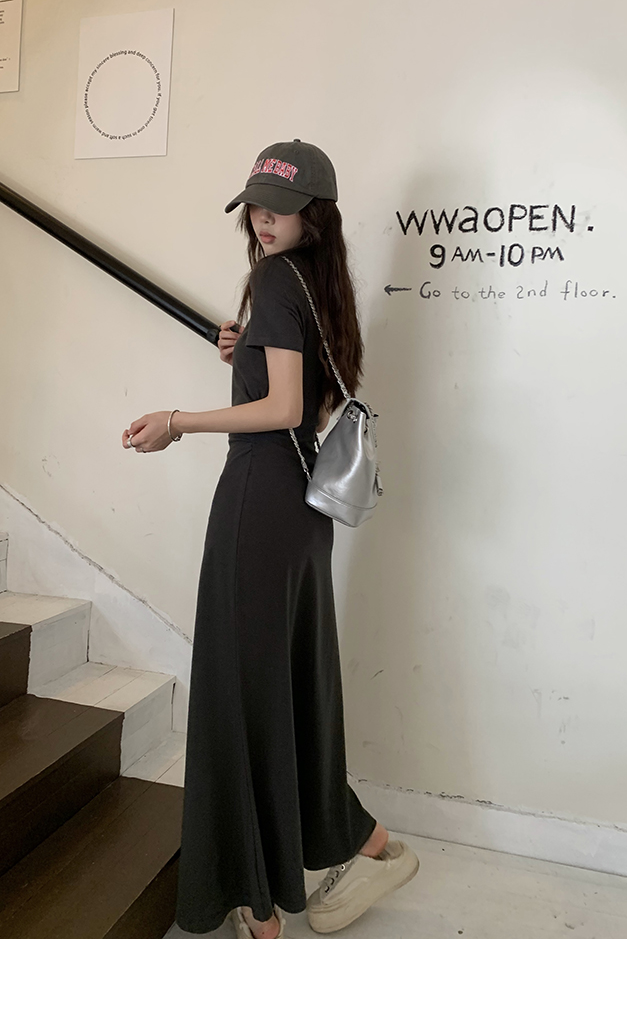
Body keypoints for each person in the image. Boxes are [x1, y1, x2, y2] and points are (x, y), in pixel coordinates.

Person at [122, 139, 419, 938]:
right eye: (255, 204)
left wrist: (177, 421)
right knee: (287, 685)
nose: (263, 218)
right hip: (302, 511)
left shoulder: (276, 280)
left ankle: (258, 902)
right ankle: (367, 842)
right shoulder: (322, 287)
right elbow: (313, 406)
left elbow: (284, 411)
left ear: (313, 216)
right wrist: (244, 350)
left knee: (242, 692)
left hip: (258, 500)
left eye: (279, 208)